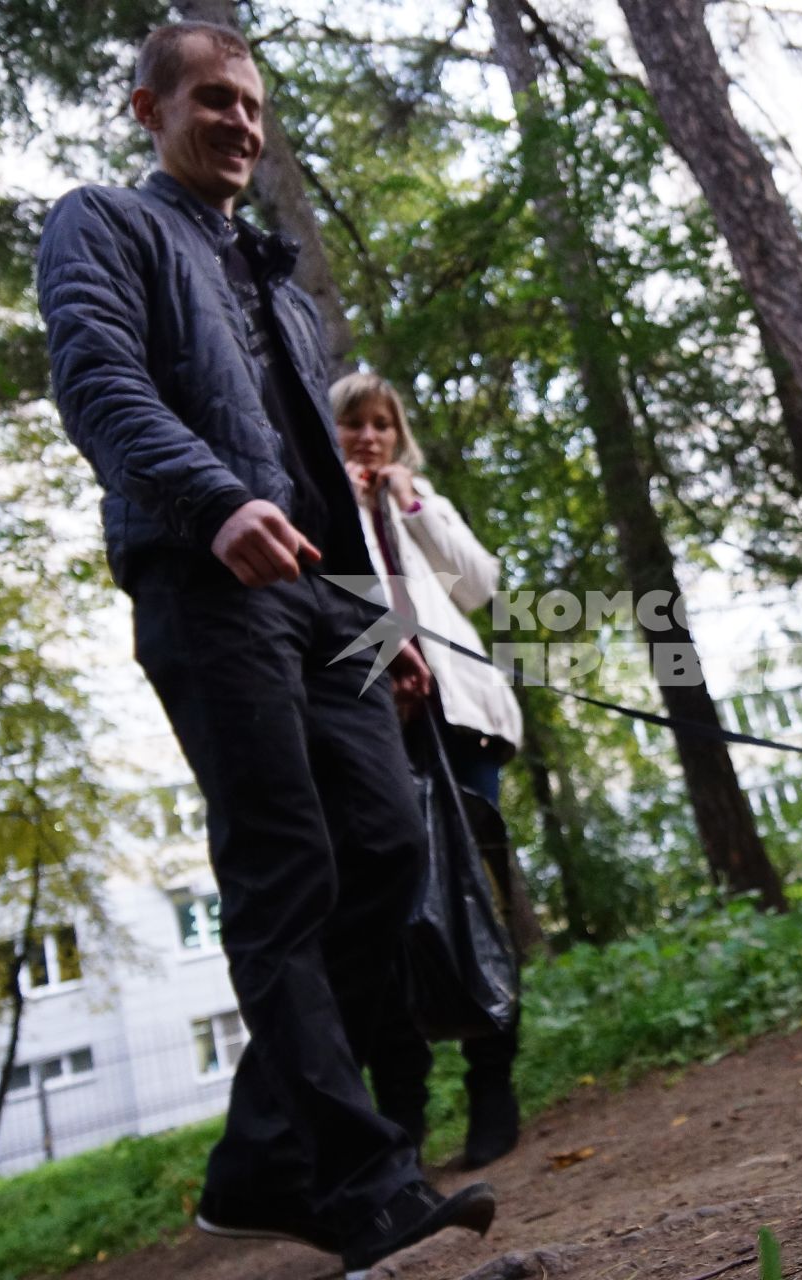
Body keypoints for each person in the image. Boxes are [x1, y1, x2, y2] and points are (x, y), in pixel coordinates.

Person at [35, 21, 493, 1277]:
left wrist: (380, 623)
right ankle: (355, 1178)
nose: (239, 122)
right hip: (204, 574)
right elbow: (95, 376)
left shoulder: (283, 293)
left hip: (320, 600)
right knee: (283, 859)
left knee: (386, 846)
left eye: (251, 104)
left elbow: (322, 481)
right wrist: (208, 499)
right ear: (149, 110)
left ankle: (255, 1164)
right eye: (212, 100)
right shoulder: (104, 226)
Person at [330, 372, 526, 1170]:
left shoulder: (418, 500)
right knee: (384, 920)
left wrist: (413, 504)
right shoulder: (314, 497)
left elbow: (478, 586)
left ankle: (492, 1088)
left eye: (382, 426)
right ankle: (401, 1111)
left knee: (478, 905)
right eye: (353, 425)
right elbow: (332, 602)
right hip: (367, 726)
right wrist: (339, 501)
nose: (370, 438)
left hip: (464, 721)